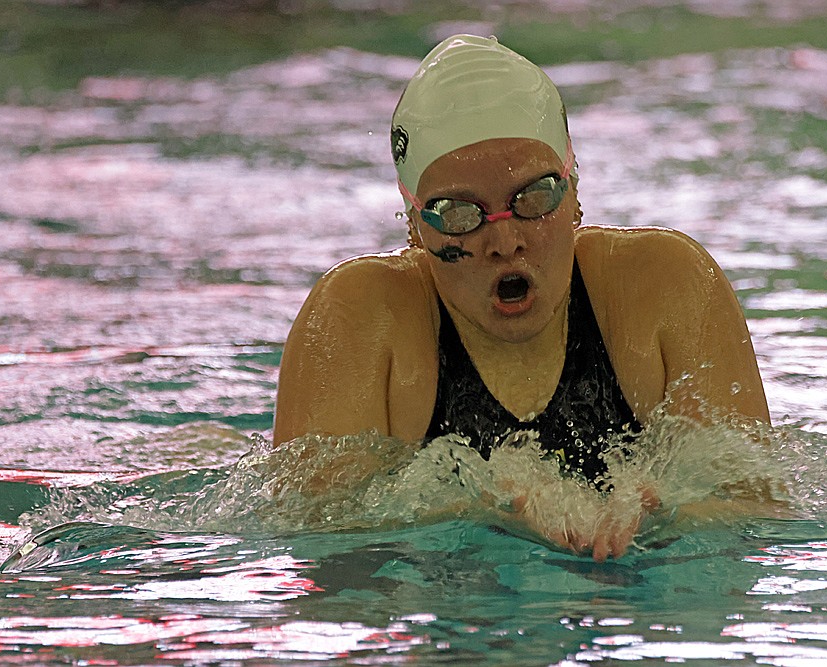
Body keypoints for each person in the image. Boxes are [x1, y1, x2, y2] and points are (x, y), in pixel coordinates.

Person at [273, 35, 770, 561]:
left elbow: (759, 511)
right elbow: (309, 541)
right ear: (416, 224)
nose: (505, 241)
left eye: (533, 199)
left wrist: (669, 513)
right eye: (461, 214)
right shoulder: (360, 315)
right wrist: (482, 512)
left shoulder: (665, 284)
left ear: (574, 189)